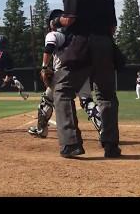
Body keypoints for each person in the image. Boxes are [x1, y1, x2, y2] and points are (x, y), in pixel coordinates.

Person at [51, 0, 120, 158]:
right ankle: (111, 146)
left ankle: (71, 143)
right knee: (106, 95)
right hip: (105, 46)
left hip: (82, 45)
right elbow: (112, 29)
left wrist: (55, 21)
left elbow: (69, 19)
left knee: (62, 91)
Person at [29, 9, 102, 138]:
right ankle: (104, 130)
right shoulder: (76, 35)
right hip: (82, 70)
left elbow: (49, 47)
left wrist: (44, 67)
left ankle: (42, 130)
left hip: (63, 74)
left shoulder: (54, 34)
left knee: (47, 100)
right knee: (86, 100)